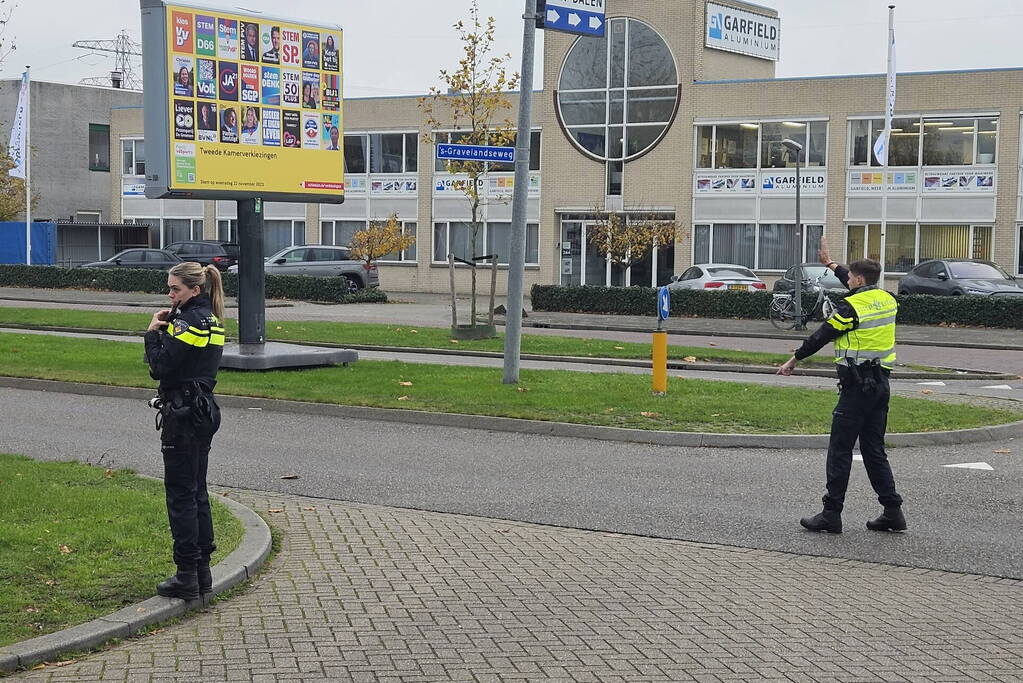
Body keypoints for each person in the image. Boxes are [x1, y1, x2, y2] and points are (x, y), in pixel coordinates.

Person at [777, 248, 905, 534]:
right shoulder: (887, 299)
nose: (847, 280)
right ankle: (893, 512)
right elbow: (854, 278)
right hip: (881, 385)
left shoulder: (850, 309)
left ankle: (831, 514)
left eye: (850, 277)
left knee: (840, 450)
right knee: (874, 451)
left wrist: (794, 359)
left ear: (858, 280)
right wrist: (831, 264)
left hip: (856, 386)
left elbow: (822, 335)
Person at [144, 262, 226, 600]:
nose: (170, 293)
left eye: (175, 288)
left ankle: (186, 575)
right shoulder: (212, 318)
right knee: (197, 492)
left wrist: (152, 333)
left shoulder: (187, 320)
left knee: (181, 496)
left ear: (195, 289)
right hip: (202, 411)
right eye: (169, 287)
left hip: (182, 414)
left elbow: (160, 367)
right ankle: (202, 572)